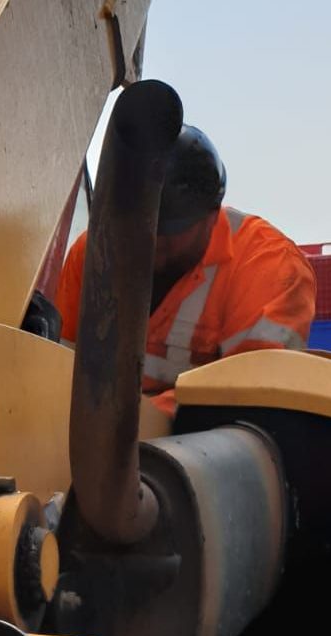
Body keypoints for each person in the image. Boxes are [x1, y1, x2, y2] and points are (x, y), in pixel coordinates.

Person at [55, 125, 316, 417]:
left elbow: (252, 396)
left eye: (167, 230)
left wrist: (134, 422)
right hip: (97, 441)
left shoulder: (269, 266)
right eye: (139, 228)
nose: (152, 243)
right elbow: (60, 367)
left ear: (212, 214)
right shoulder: (95, 252)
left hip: (208, 451)